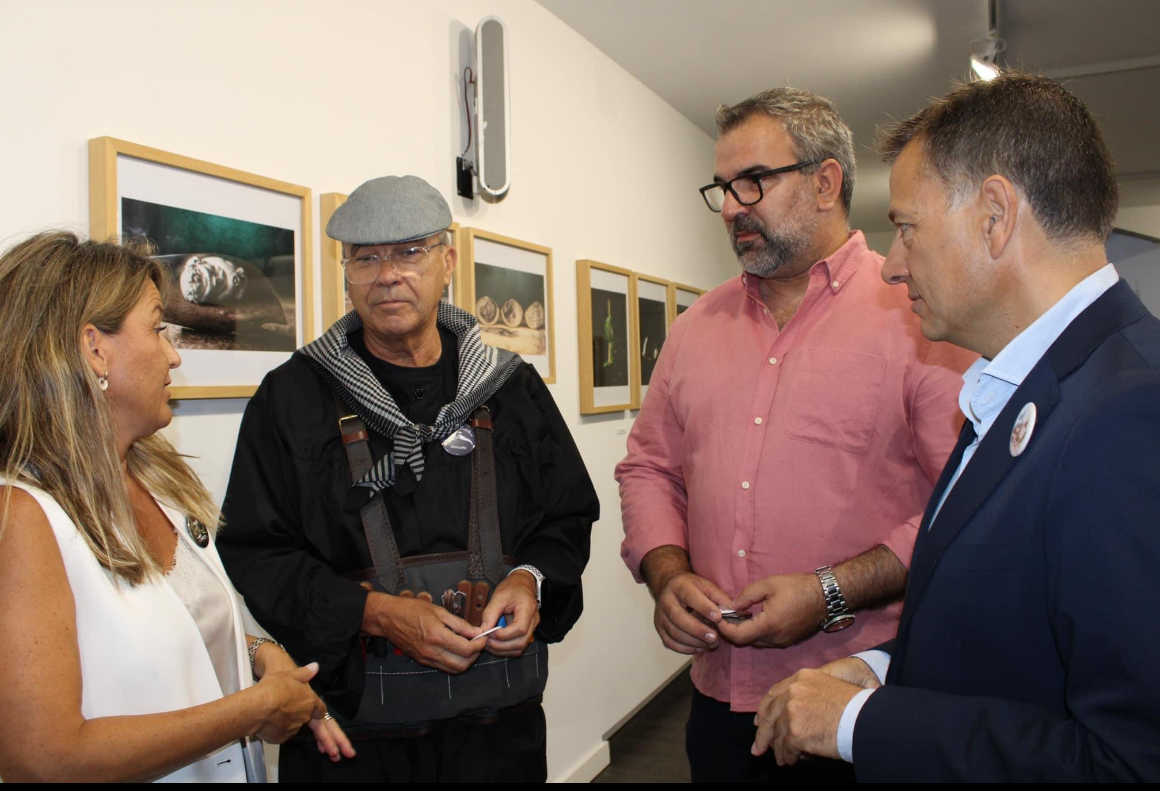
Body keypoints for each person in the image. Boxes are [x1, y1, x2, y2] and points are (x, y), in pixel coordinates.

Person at [752, 73, 1160, 782]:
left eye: (907, 227)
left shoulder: (1127, 414)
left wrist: (860, 722)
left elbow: (1129, 760)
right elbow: (1012, 643)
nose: (893, 266)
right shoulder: (1024, 388)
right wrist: (880, 668)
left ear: (995, 215)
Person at [614, 88, 976, 782]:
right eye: (722, 187)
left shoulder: (918, 317)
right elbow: (650, 467)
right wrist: (667, 572)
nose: (731, 206)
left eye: (752, 181)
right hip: (717, 702)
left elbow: (960, 504)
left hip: (857, 699)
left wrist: (829, 592)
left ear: (825, 182)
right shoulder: (694, 329)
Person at [217, 175, 597, 782]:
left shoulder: (512, 390)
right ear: (346, 273)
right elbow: (257, 551)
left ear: (448, 262)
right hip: (352, 742)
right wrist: (373, 613)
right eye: (365, 258)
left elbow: (567, 515)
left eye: (409, 252)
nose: (387, 275)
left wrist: (529, 579)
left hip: (499, 739)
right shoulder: (291, 398)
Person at [0, 232, 352, 782]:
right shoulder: (22, 517)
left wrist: (257, 653)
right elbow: (44, 758)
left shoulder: (152, 477)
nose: (174, 354)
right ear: (94, 348)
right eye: (157, 329)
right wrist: (253, 709)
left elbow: (170, 626)